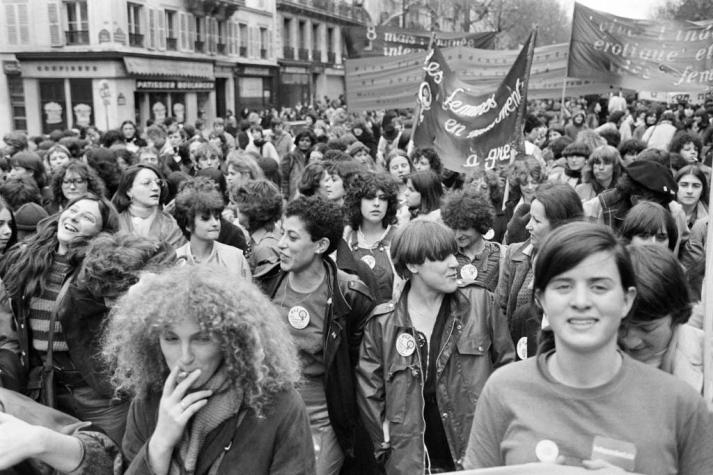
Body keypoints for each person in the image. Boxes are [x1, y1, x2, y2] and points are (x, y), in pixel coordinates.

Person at [463, 222, 713, 474]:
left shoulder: (681, 404)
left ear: (626, 300)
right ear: (541, 300)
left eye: (599, 287)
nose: (581, 301)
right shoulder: (504, 390)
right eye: (564, 286)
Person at [104, 265, 315, 475]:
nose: (185, 357)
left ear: (229, 339)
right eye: (171, 339)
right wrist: (159, 444)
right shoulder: (148, 400)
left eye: (202, 339)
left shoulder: (278, 404)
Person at [356, 220, 514, 474]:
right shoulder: (383, 323)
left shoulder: (480, 303)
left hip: (476, 456)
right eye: (442, 257)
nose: (454, 263)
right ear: (412, 265)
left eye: (453, 253)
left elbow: (507, 371)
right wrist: (385, 446)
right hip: (411, 461)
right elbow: (369, 394)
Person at [257, 195, 375, 475]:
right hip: (271, 405)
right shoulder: (265, 283)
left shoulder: (351, 295)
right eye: (282, 233)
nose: (282, 244)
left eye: (293, 237)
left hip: (325, 409)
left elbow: (365, 369)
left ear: (321, 245)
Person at [0, 194, 119, 408]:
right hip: (42, 383)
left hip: (91, 390)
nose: (74, 218)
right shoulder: (25, 259)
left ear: (101, 233)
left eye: (87, 218)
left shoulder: (103, 270)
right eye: (72, 211)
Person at [496, 183, 583, 359]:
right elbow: (501, 312)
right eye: (530, 218)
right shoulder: (515, 254)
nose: (528, 226)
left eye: (536, 221)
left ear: (560, 224)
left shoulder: (582, 261)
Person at [620, 244, 703, 393]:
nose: (630, 341)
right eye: (621, 326)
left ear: (676, 316)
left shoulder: (707, 358)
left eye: (646, 328)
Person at [173, 178, 250, 279]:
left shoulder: (235, 257)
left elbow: (248, 293)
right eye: (205, 219)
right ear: (188, 225)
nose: (215, 223)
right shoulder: (175, 260)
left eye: (217, 217)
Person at [343, 172, 399, 303]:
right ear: (358, 202)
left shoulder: (400, 238)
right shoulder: (346, 239)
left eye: (382, 198)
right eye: (370, 197)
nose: (377, 203)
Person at [441, 187, 501, 292]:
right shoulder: (445, 256)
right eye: (454, 228)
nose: (458, 235)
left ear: (479, 224)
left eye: (464, 228)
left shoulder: (501, 256)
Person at [112, 164, 185, 249]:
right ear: (129, 191)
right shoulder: (114, 224)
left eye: (158, 183)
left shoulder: (171, 226)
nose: (155, 188)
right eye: (146, 183)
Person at [231, 179, 282, 277]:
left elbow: (266, 286)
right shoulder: (263, 234)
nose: (236, 208)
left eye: (240, 207)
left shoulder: (265, 248)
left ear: (251, 211)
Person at [675, 164, 709, 230]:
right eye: (684, 185)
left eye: (696, 186)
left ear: (702, 190)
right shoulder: (662, 213)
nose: (689, 191)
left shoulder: (710, 218)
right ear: (674, 187)